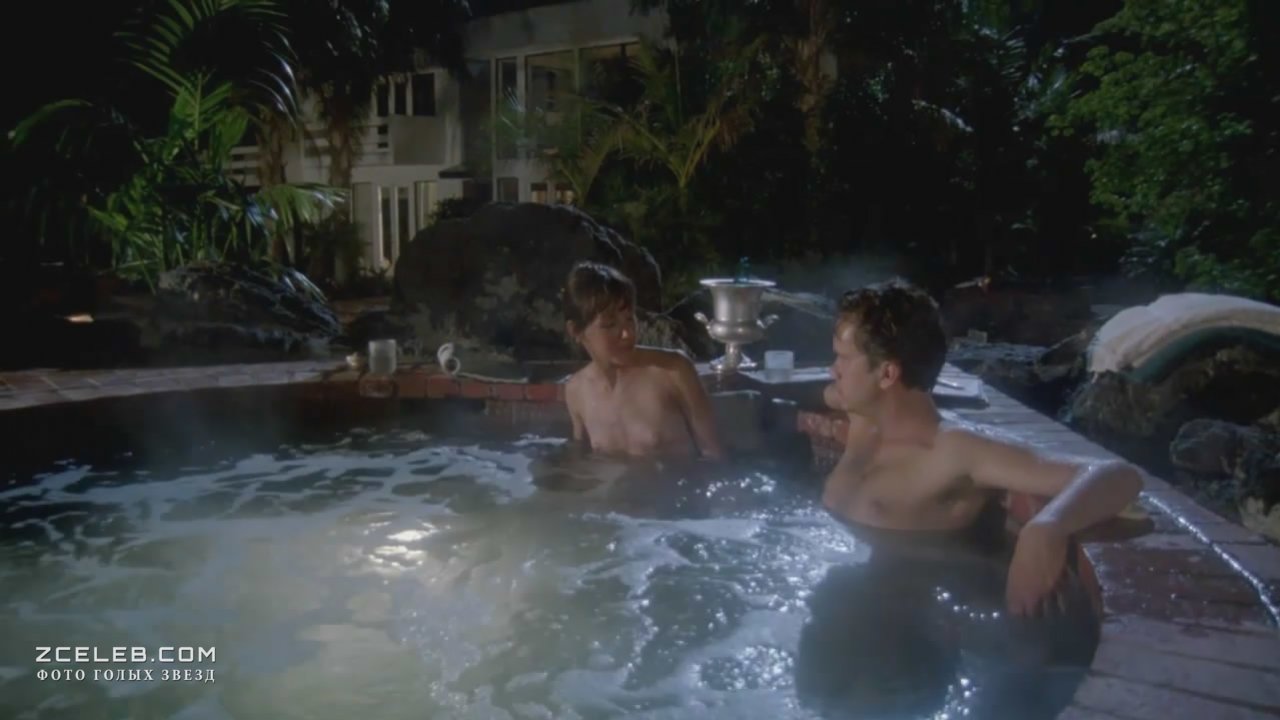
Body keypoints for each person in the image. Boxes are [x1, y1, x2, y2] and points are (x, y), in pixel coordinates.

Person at [820, 279, 1143, 616]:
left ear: (887, 374)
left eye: (843, 358)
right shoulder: (863, 419)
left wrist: (1047, 529)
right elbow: (820, 392)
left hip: (903, 618)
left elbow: (1117, 475)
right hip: (846, 599)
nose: (832, 370)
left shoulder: (953, 450)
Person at [561, 261, 725, 461]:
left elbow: (714, 456)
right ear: (575, 331)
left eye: (630, 319)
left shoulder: (672, 371)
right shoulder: (576, 391)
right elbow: (580, 462)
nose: (627, 334)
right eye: (610, 324)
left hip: (677, 480)